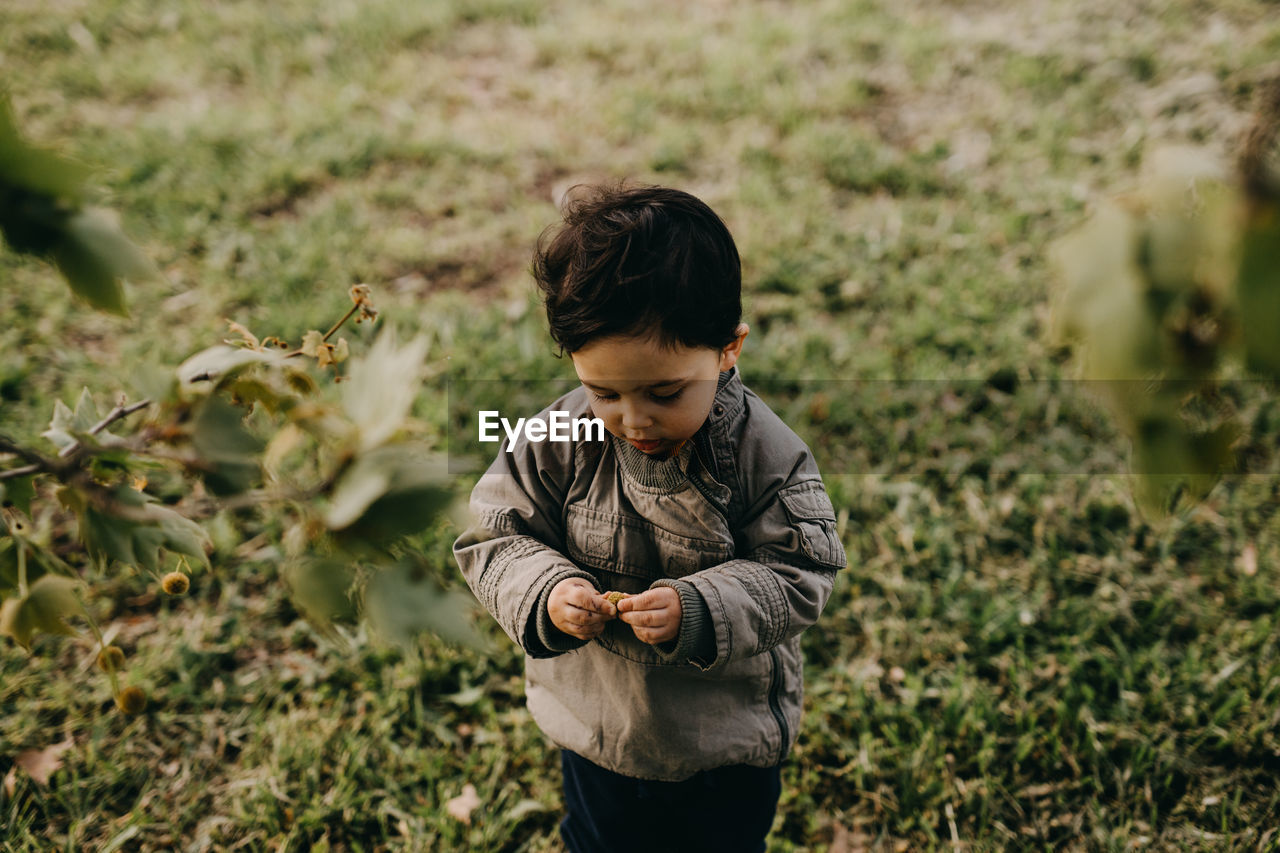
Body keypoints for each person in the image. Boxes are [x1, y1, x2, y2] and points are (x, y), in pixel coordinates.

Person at [452, 183, 846, 852]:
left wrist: (700, 606)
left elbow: (802, 566)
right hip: (601, 731)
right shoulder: (555, 438)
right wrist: (549, 591)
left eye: (666, 393)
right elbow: (497, 533)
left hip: (724, 742)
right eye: (603, 390)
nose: (634, 418)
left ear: (729, 349)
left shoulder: (763, 455)